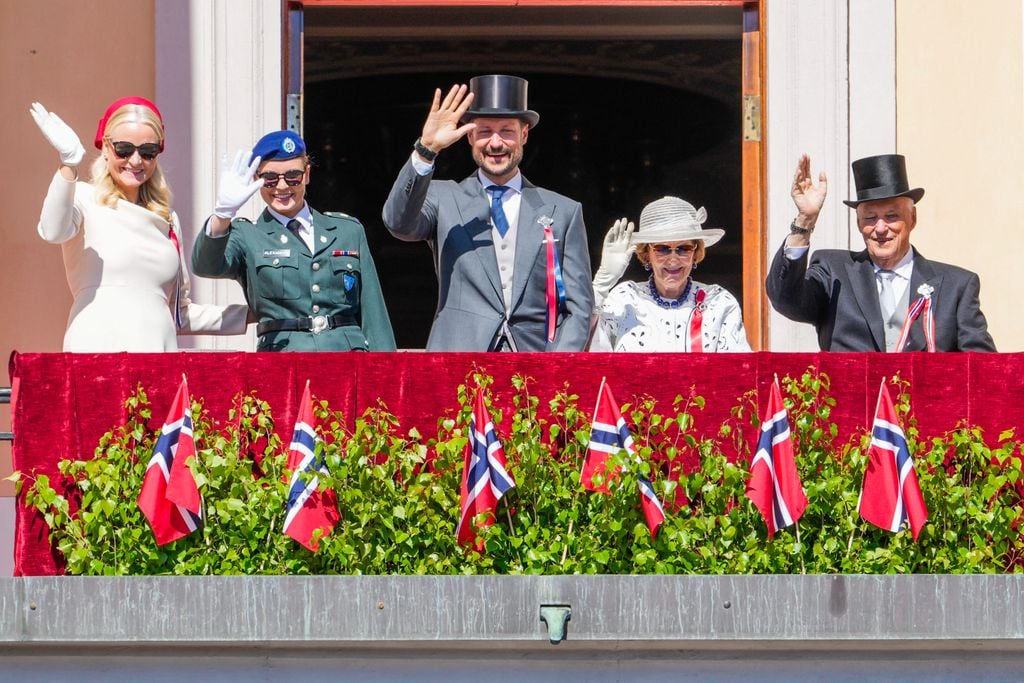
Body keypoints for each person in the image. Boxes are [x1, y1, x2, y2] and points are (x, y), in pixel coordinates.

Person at [382, 74, 593, 351]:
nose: (495, 143)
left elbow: (579, 306)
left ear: (524, 135)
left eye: (506, 131)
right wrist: (426, 150)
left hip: (535, 365)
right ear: (469, 136)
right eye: (484, 131)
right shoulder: (443, 197)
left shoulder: (564, 211)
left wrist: (558, 365)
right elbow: (398, 222)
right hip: (459, 362)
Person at [30, 98, 250, 352]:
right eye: (124, 149)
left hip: (157, 354)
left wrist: (257, 312)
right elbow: (52, 230)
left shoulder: (168, 219)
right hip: (96, 350)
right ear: (105, 147)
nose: (135, 161)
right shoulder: (83, 197)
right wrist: (68, 165)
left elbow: (178, 313)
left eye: (147, 152)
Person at [766, 154, 995, 352]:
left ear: (912, 219)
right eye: (870, 218)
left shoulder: (957, 286)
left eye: (892, 216)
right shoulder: (833, 271)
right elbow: (785, 299)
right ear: (858, 223)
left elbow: (984, 370)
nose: (881, 228)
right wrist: (805, 221)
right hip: (851, 402)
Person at [192, 130, 396, 352]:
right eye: (269, 179)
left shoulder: (347, 231)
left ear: (307, 174)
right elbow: (206, 266)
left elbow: (373, 314)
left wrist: (385, 375)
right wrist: (223, 214)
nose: (282, 187)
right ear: (255, 180)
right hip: (283, 359)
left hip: (346, 356)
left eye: (293, 176)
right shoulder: (246, 235)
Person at [589, 196, 750, 352]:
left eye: (684, 248)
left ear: (695, 252)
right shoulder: (625, 298)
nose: (673, 259)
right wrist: (602, 283)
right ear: (647, 254)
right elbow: (585, 352)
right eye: (662, 248)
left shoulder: (719, 301)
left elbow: (740, 372)